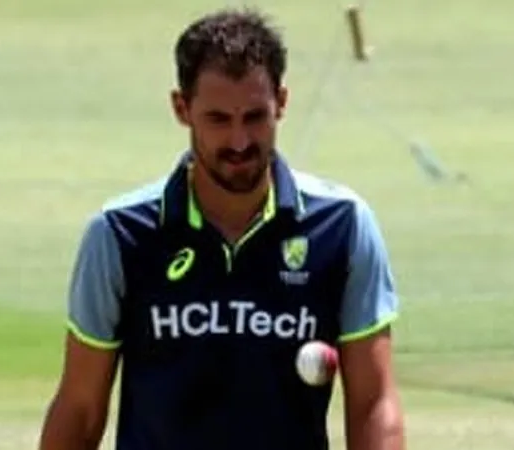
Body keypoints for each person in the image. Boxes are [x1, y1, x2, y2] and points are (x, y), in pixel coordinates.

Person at [39, 7, 405, 450]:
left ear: (282, 103)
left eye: (254, 117)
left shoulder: (342, 226)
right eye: (217, 119)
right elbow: (80, 407)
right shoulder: (119, 234)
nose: (239, 142)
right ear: (181, 108)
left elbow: (374, 402)